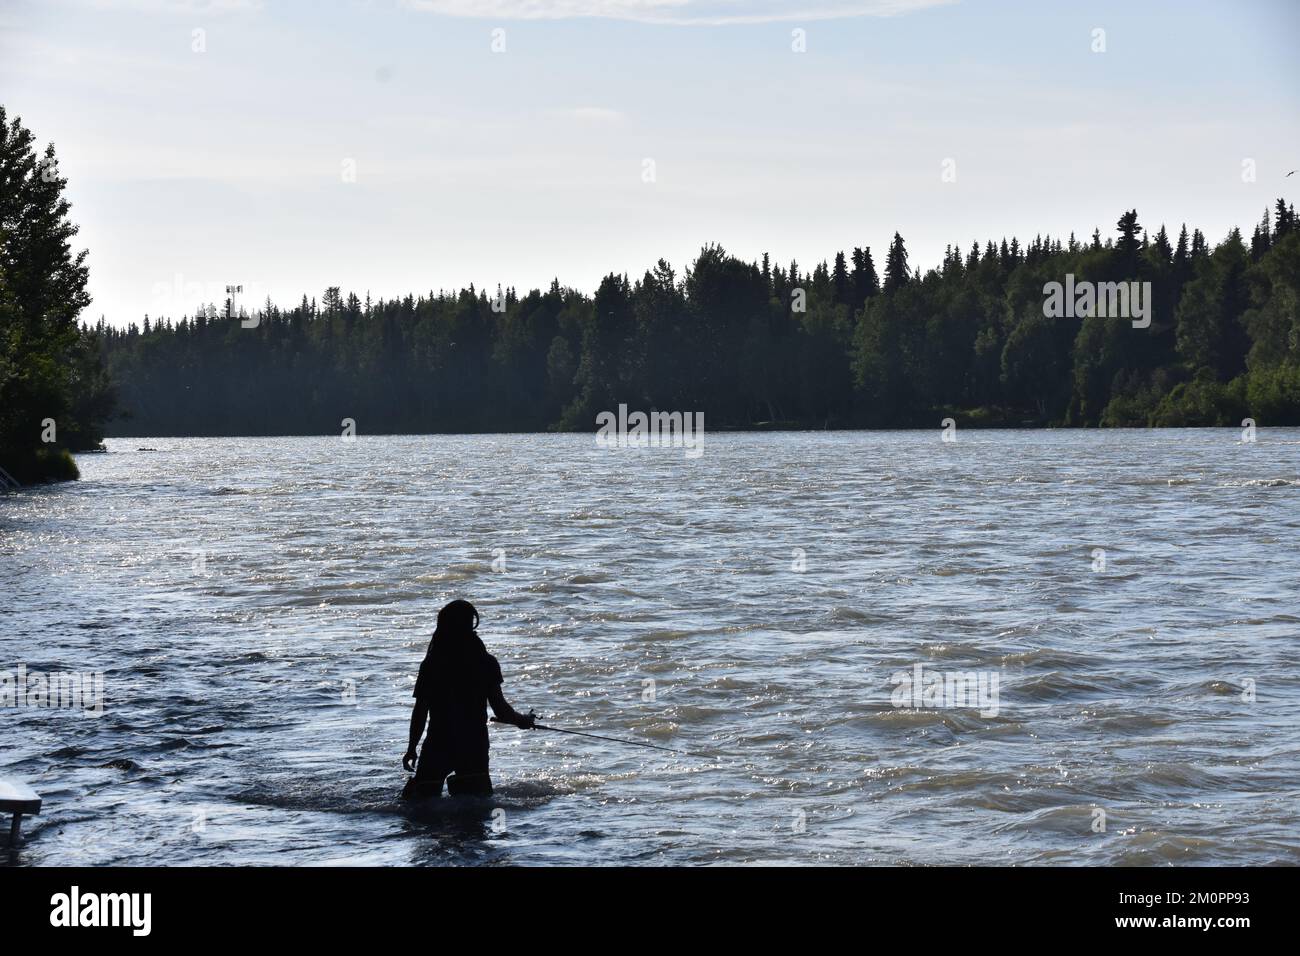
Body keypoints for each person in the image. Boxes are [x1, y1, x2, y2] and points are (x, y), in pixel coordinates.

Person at [401, 600, 534, 799]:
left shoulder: (432, 664)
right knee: (473, 813)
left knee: (421, 809)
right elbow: (501, 710)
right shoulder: (485, 662)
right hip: (473, 743)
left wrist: (412, 748)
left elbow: (420, 710)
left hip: (438, 743)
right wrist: (522, 720)